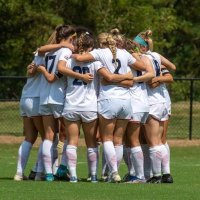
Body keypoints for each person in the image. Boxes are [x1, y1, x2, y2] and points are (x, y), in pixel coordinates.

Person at [72, 32, 146, 182]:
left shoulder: (99, 53)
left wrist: (71, 53)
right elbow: (142, 67)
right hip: (126, 100)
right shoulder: (124, 53)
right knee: (118, 140)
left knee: (107, 139)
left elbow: (80, 58)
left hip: (108, 100)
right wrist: (127, 75)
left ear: (101, 43)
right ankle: (115, 173)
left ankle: (113, 173)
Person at [133, 29, 176, 183]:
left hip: (151, 101)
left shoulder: (144, 58)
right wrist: (159, 78)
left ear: (143, 47)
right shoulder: (156, 56)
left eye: (135, 45)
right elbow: (172, 66)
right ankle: (166, 174)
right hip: (162, 101)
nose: (132, 48)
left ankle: (155, 175)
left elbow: (150, 81)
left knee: (153, 141)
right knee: (159, 140)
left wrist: (151, 79)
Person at [37, 25, 78, 181]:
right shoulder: (65, 51)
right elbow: (55, 76)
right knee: (70, 134)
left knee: (48, 136)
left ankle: (48, 173)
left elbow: (40, 49)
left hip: (44, 97)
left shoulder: (50, 50)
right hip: (58, 97)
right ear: (71, 38)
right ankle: (62, 168)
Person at [14, 54, 45, 181]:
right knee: (48, 138)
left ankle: (19, 173)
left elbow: (31, 71)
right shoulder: (49, 56)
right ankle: (38, 171)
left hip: (25, 97)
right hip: (36, 99)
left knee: (29, 138)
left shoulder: (37, 56)